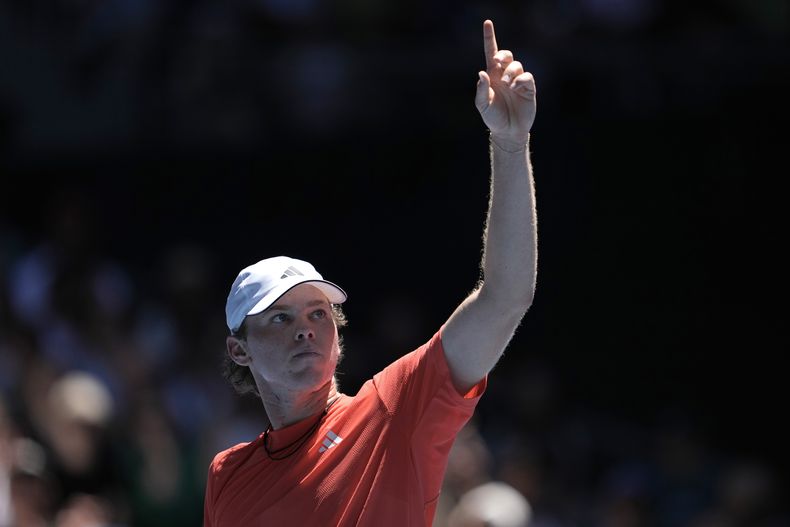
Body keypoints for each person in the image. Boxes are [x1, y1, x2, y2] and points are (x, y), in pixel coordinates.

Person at [202, 18, 538, 527]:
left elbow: (504, 297)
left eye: (318, 312)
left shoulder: (394, 411)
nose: (304, 328)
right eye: (278, 317)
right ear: (238, 350)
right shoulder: (226, 476)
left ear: (337, 335)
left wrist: (511, 146)